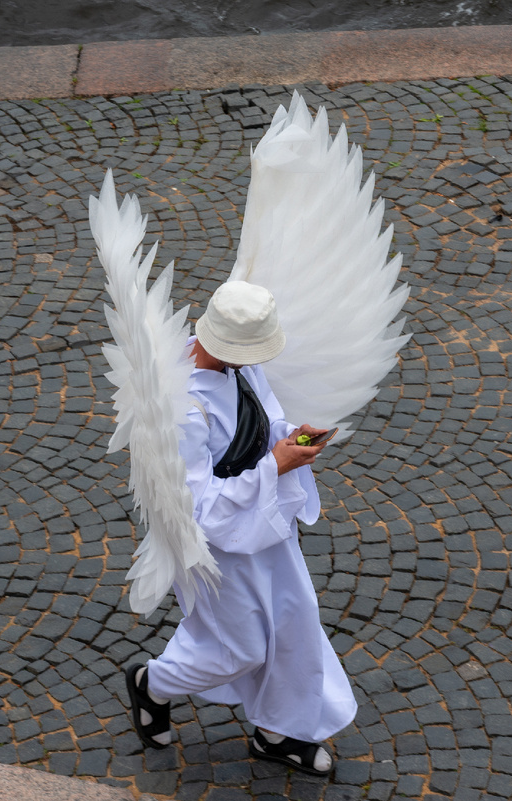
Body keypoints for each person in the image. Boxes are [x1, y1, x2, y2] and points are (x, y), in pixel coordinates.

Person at [122, 281, 358, 777]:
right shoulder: (182, 407)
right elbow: (198, 509)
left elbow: (264, 417)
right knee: (240, 648)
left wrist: (288, 443)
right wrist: (276, 464)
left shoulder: (240, 366)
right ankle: (154, 683)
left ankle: (278, 731)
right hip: (221, 549)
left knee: (296, 620)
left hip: (267, 527)